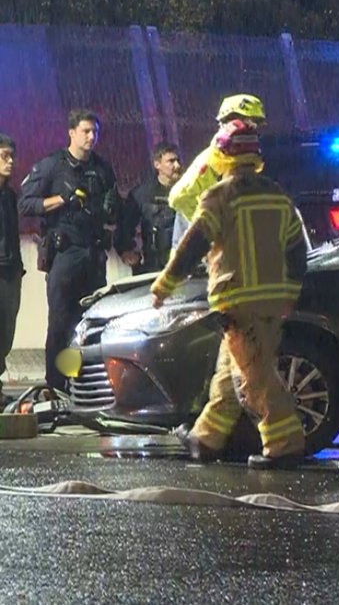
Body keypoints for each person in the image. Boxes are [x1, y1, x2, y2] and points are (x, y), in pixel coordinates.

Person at [152, 119, 308, 469]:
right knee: (229, 376)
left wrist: (164, 285)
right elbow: (298, 250)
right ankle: (205, 439)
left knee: (256, 380)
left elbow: (192, 247)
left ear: (222, 155)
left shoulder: (219, 197)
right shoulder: (279, 196)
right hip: (271, 303)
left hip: (237, 302)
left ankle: (285, 445)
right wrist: (291, 292)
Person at [18, 110, 118, 393]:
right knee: (61, 322)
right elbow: (26, 204)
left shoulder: (102, 168)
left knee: (88, 324)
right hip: (65, 255)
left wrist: (111, 208)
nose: (91, 137)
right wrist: (61, 200)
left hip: (93, 255)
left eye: (94, 132)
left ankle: (83, 385)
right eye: (85, 131)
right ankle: (57, 385)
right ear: (71, 133)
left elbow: (112, 211)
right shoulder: (52, 166)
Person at [168, 94, 266, 249]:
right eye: (249, 123)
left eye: (255, 125)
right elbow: (178, 197)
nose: (253, 129)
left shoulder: (244, 158)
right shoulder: (211, 160)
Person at [115, 142, 183, 274]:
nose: (177, 166)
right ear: (157, 164)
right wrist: (126, 251)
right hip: (154, 266)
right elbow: (125, 227)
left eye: (179, 160)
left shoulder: (190, 191)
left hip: (185, 264)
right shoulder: (142, 194)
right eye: (171, 161)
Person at [0, 134, 23, 387]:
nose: (10, 161)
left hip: (10, 271)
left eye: (12, 156)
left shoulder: (9, 195)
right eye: (4, 156)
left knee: (6, 332)